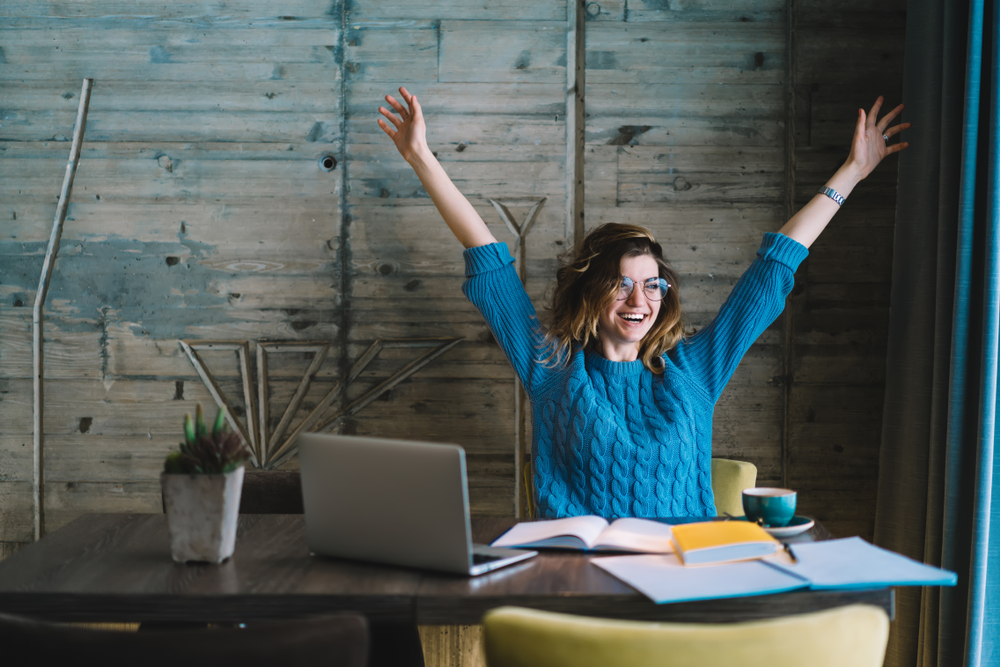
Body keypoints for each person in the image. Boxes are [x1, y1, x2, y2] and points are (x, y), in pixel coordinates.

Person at [378, 87, 909, 519]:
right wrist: (422, 158)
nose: (641, 299)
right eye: (622, 283)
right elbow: (491, 266)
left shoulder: (693, 371)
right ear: (592, 291)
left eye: (653, 284)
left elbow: (772, 271)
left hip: (685, 569)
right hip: (582, 571)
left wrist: (852, 173)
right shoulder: (553, 366)